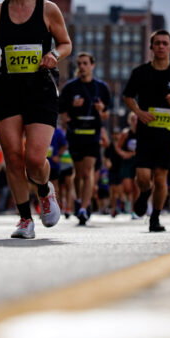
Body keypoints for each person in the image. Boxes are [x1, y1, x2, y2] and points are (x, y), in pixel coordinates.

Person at [0, 0, 71, 239]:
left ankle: (45, 189)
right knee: (13, 158)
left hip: (40, 87)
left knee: (33, 159)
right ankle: (24, 219)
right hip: (8, 88)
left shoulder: (48, 10)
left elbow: (66, 43)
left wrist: (54, 54)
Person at [123, 30, 170, 232]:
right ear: (151, 47)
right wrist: (138, 112)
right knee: (143, 176)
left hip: (167, 133)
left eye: (165, 43)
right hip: (146, 131)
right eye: (157, 43)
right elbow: (127, 96)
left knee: (161, 176)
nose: (161, 46)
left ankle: (155, 217)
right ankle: (145, 193)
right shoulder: (140, 73)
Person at [59, 52, 111, 226]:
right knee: (79, 173)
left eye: (85, 63)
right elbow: (62, 113)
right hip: (75, 135)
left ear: (92, 65)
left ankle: (84, 207)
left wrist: (102, 109)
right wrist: (71, 109)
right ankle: (79, 199)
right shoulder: (70, 88)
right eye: (79, 64)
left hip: (92, 135)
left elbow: (106, 115)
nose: (81, 66)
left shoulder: (101, 87)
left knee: (88, 171)